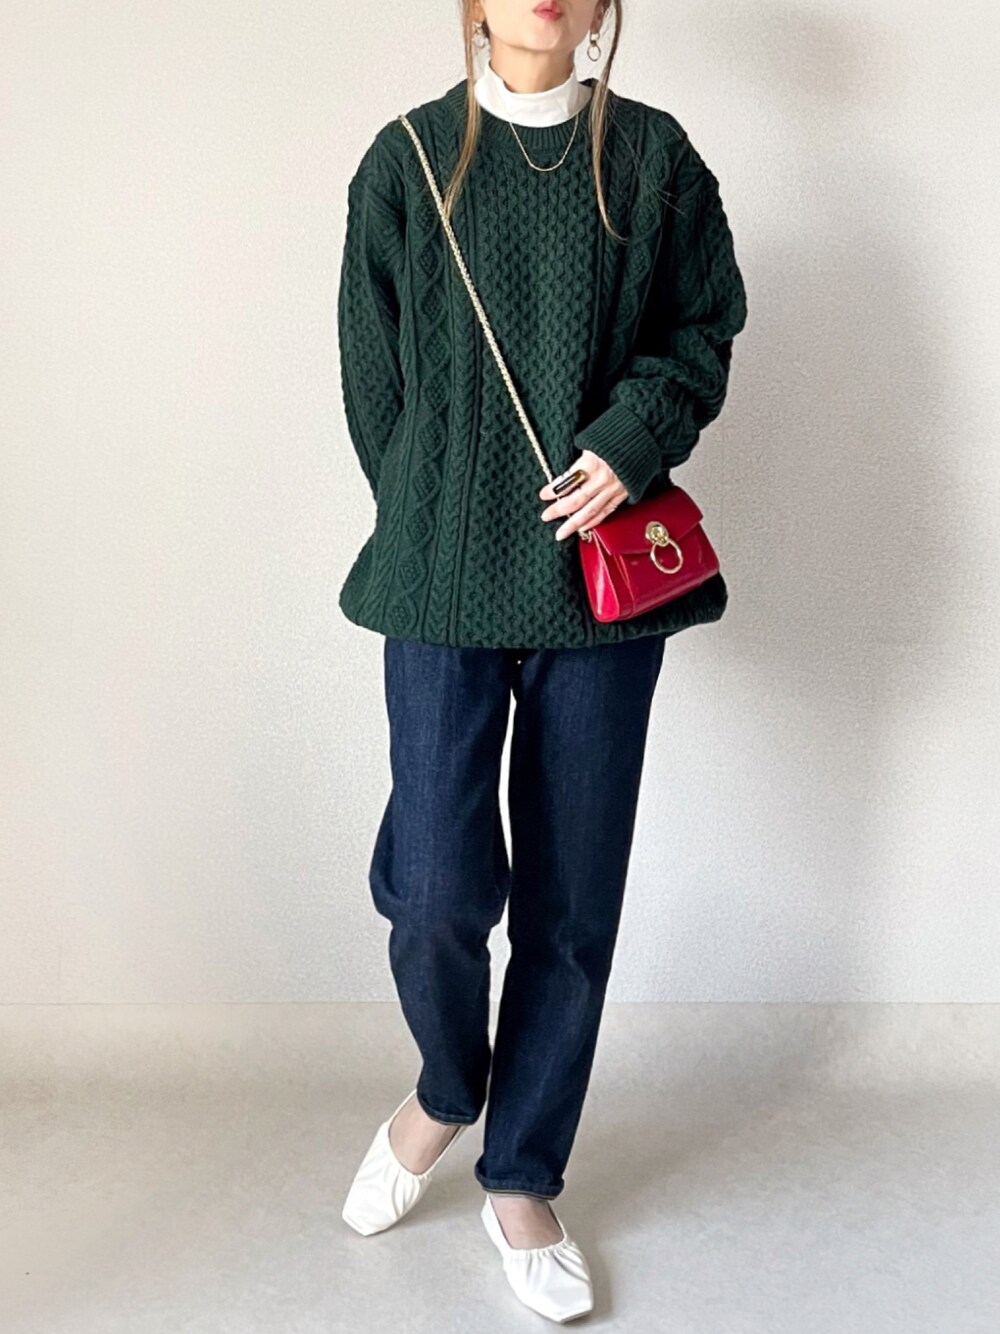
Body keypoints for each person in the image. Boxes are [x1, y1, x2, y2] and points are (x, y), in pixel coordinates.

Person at [337, 0, 747, 1321]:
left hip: (602, 597)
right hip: (442, 582)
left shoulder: (653, 160)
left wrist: (632, 442)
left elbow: (701, 327)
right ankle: (446, 1088)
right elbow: (375, 387)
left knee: (573, 905)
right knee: (437, 887)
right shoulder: (407, 161)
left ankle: (523, 1170)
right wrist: (437, 519)